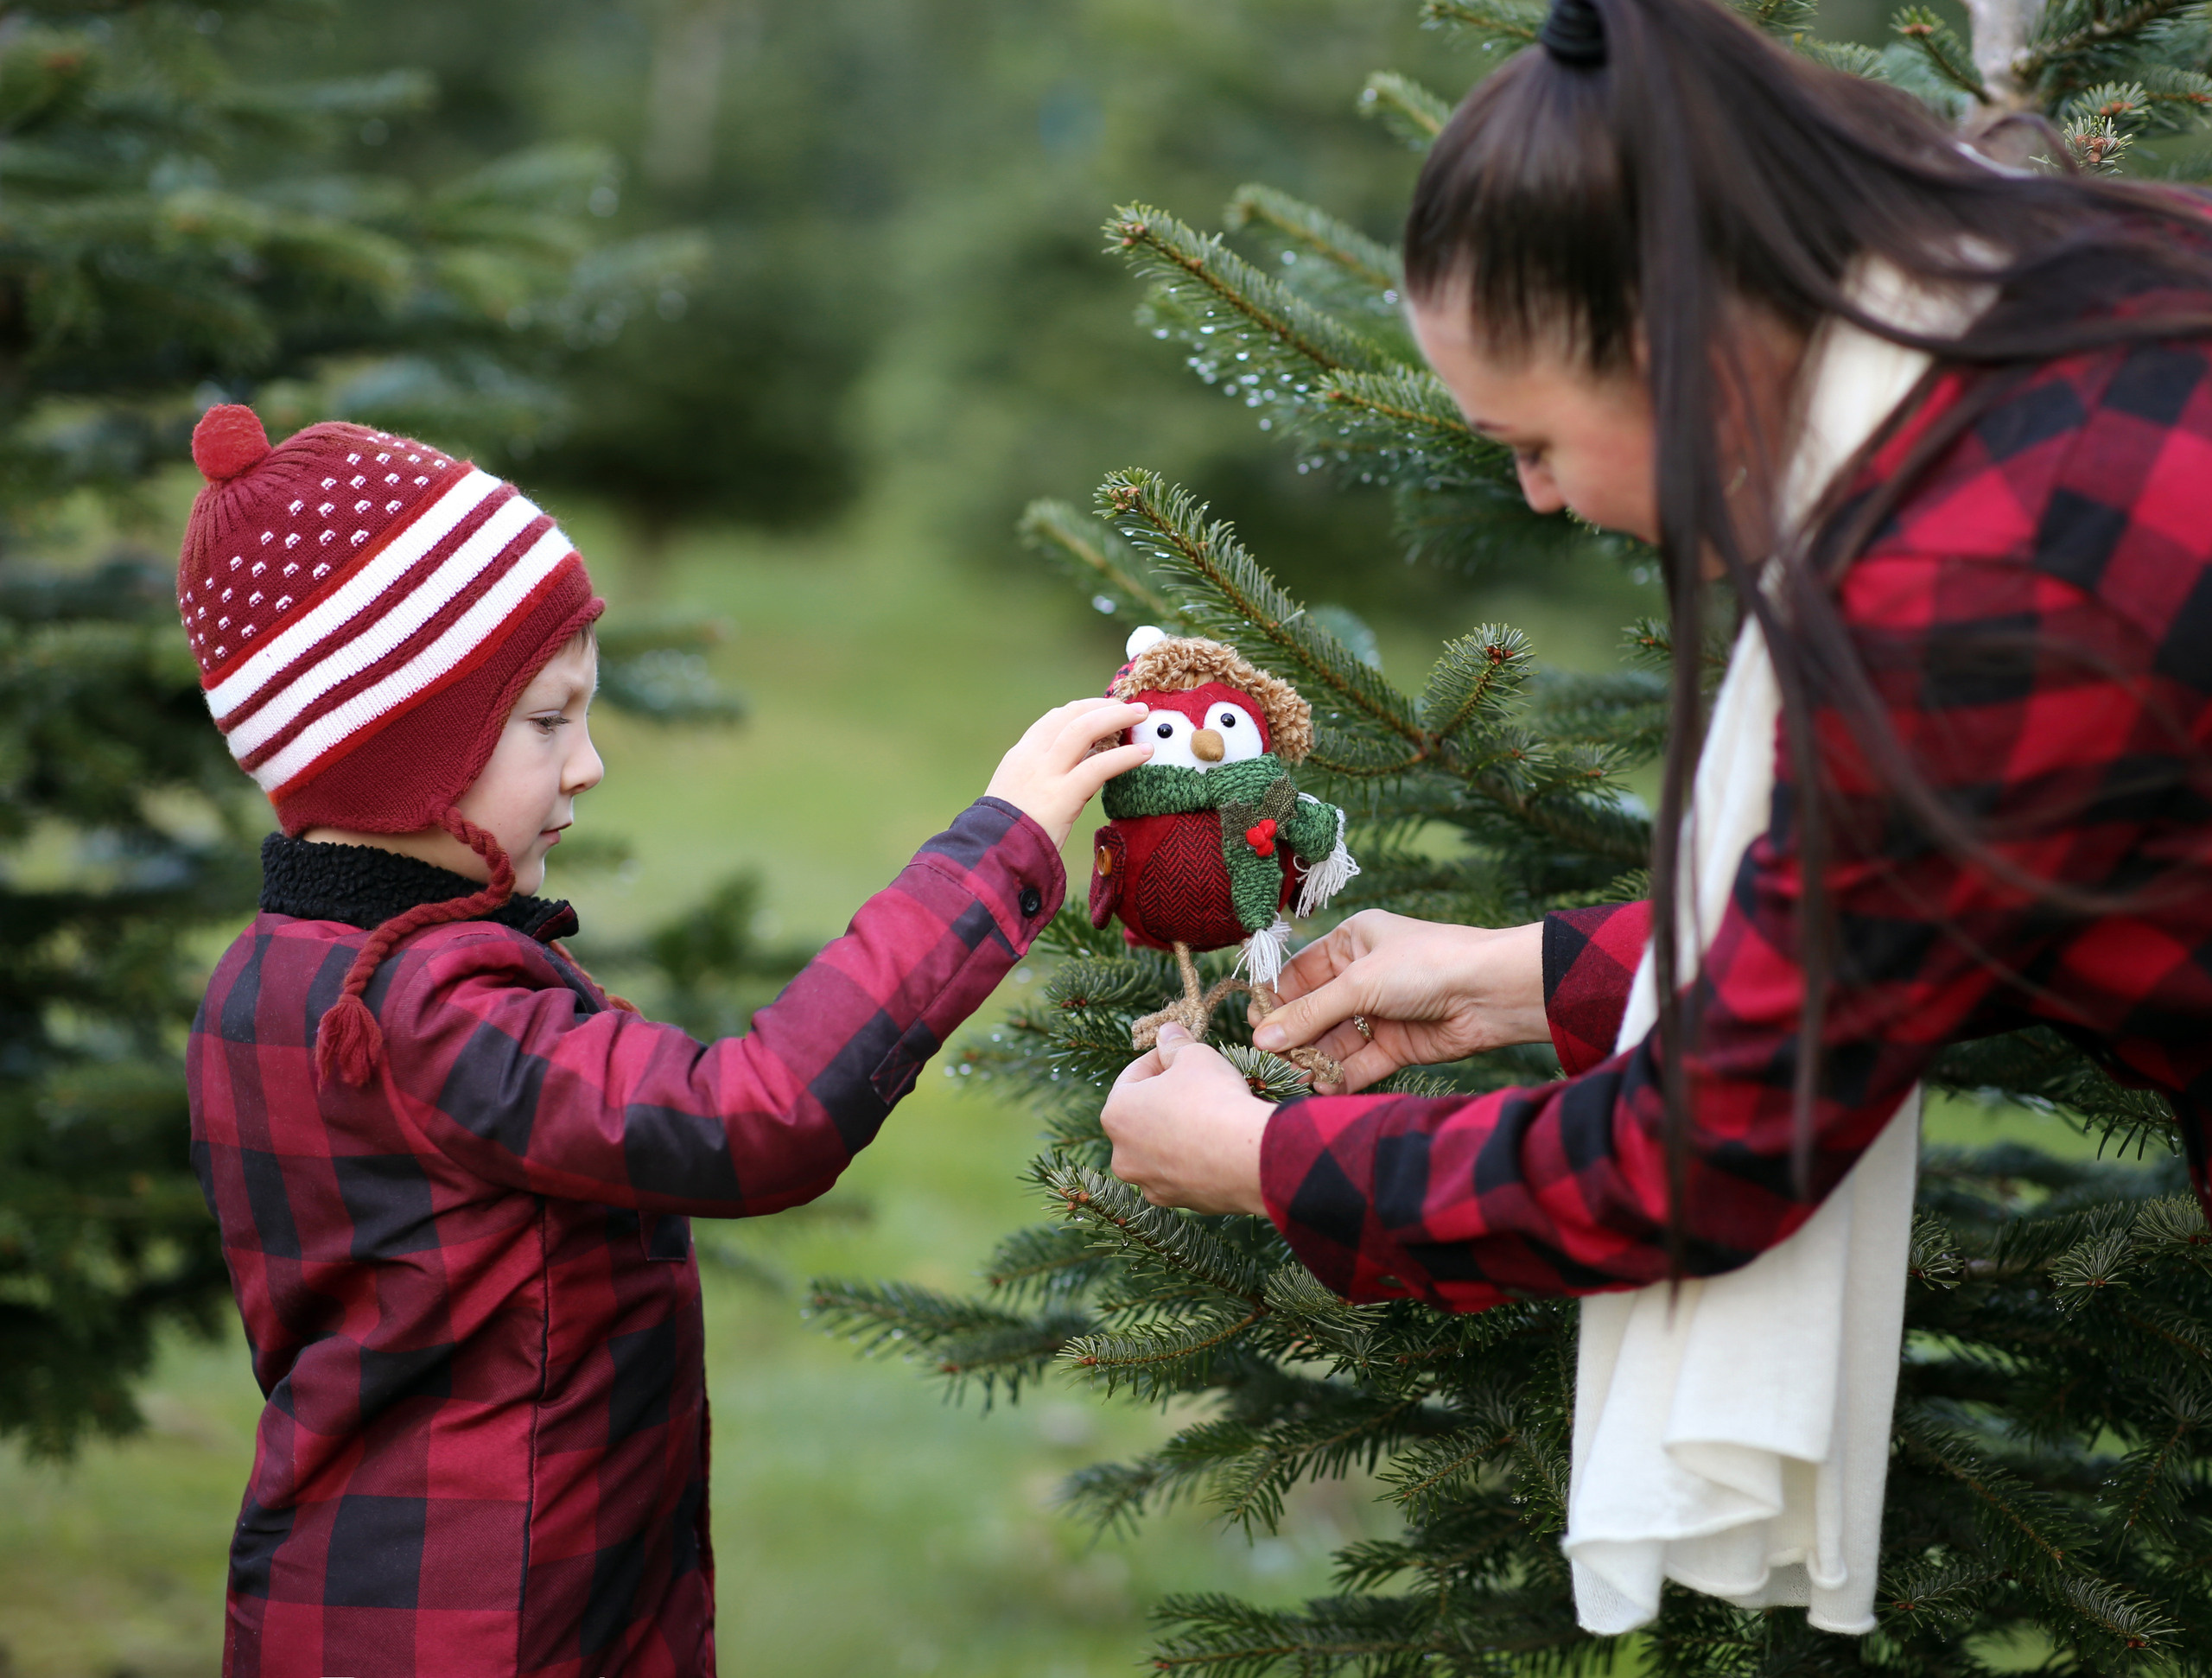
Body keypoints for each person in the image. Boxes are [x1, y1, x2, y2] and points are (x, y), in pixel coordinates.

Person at [1099, 0, 2212, 1309]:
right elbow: (1931, 905)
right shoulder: (2082, 287)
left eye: (1536, 442)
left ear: (1666, 346)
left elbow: (1701, 1156)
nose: (1538, 496)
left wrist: (1274, 1158)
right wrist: (1521, 979)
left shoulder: (1960, 586)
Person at [177, 404, 1151, 1675]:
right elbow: (752, 1116)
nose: (586, 765)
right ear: (398, 751)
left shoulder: (268, 981)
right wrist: (1000, 844)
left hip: (371, 1599)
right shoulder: (428, 1013)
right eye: (545, 722)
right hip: (488, 1633)